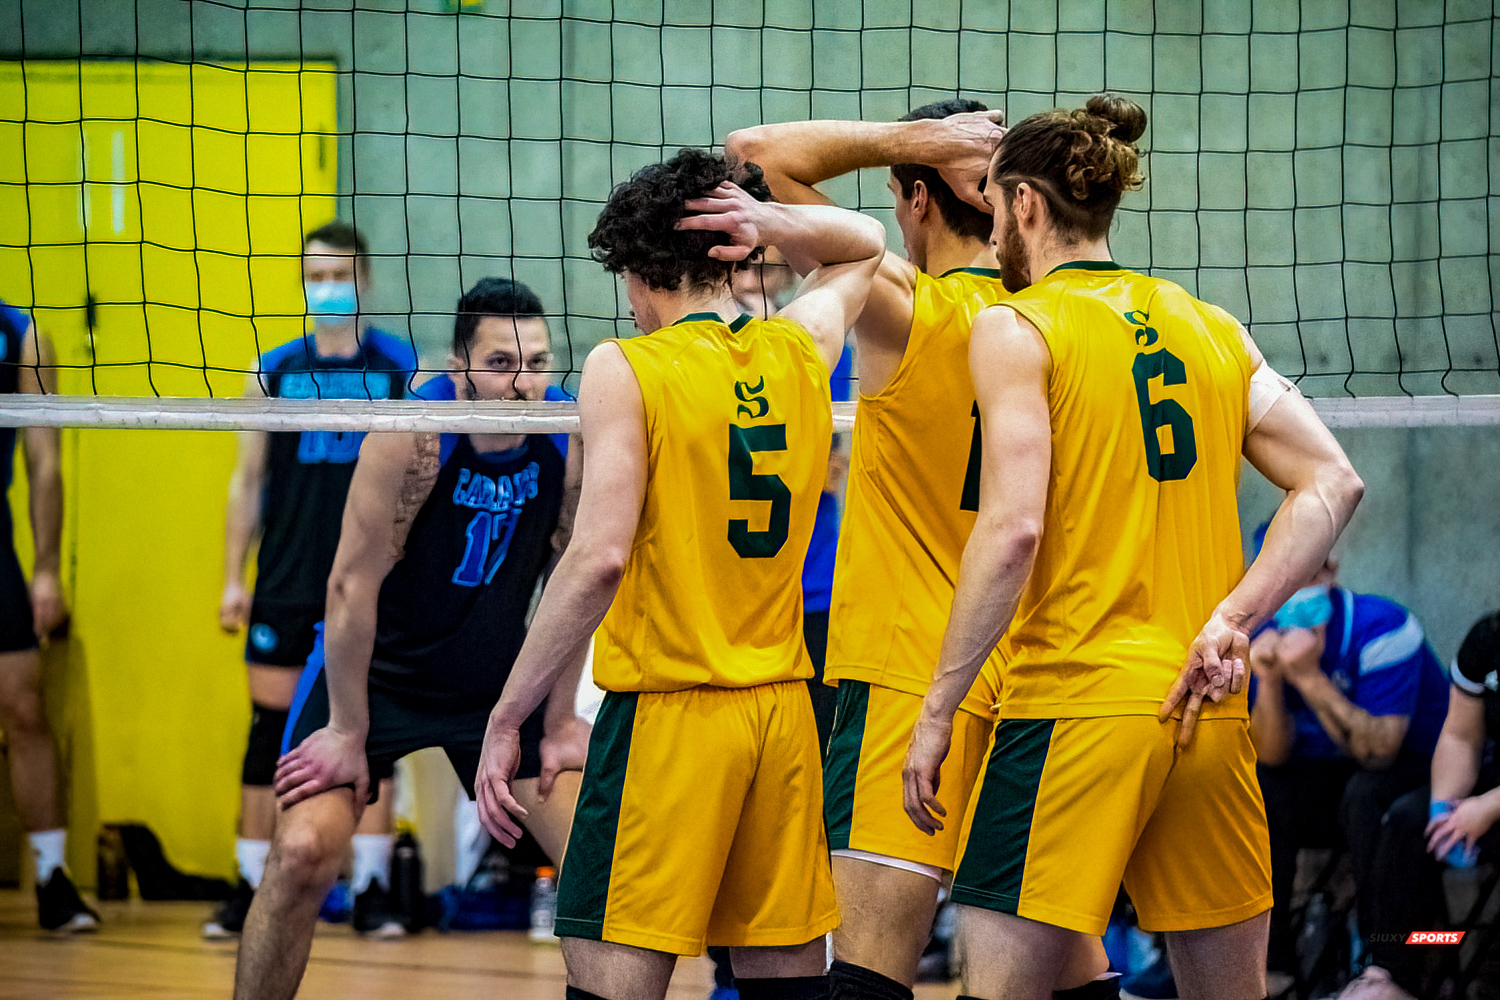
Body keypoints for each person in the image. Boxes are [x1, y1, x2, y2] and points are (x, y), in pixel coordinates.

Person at [902, 94, 1365, 1000]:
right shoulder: (1210, 324)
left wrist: (938, 712)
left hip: (1074, 708)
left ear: (1026, 204)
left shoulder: (1016, 323)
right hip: (1205, 712)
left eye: (994, 207)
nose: (991, 229)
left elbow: (1013, 529)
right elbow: (1332, 483)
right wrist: (1231, 620)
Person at [473, 148, 885, 1000]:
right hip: (780, 717)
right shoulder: (802, 347)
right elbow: (865, 242)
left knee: (611, 982)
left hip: (669, 720)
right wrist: (763, 222)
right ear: (729, 252)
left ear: (633, 272)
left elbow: (596, 559)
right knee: (786, 988)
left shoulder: (626, 367)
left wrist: (508, 713)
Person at [729, 100, 1110, 1000]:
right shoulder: (1058, 321)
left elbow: (753, 157)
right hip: (1035, 676)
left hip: (910, 672)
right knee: (1059, 963)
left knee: (868, 971)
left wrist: (909, 144)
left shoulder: (910, 306)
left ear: (915, 201)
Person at [229, 276, 587, 1000]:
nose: (524, 383)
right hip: (377, 680)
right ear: (458, 367)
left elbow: (574, 582)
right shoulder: (411, 434)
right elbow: (349, 587)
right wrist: (347, 728)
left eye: (539, 363)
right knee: (300, 854)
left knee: (598, 865)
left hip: (491, 691)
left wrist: (555, 720)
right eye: (501, 364)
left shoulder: (567, 436)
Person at [210, 220, 417, 937]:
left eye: (338, 275)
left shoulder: (402, 367)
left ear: (364, 280)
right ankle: (245, 886)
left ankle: (371, 891)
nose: (325, 288)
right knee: (269, 730)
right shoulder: (271, 368)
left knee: (371, 729)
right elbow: (246, 482)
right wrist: (232, 578)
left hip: (370, 579)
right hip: (288, 576)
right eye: (314, 275)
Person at [1248, 527, 1449, 977]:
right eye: (1278, 581)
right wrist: (1274, 682)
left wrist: (1308, 676)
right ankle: (1270, 964)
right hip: (1326, 776)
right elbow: (1272, 756)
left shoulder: (1383, 628)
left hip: (1415, 769)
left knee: (1366, 794)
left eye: (1305, 575)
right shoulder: (1260, 636)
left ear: (1331, 571)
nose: (1292, 593)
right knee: (1257, 789)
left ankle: (1388, 966)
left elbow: (1379, 754)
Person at [1339, 611, 1500, 1000]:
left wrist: (1486, 809)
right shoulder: (1487, 638)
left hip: (1494, 804)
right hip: (1490, 781)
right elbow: (1461, 737)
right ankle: (1393, 971)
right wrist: (1444, 811)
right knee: (1407, 820)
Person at [0, 299, 96, 932]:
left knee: (22, 704)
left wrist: (43, 568)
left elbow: (45, 460)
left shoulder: (21, 333)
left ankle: (51, 875)